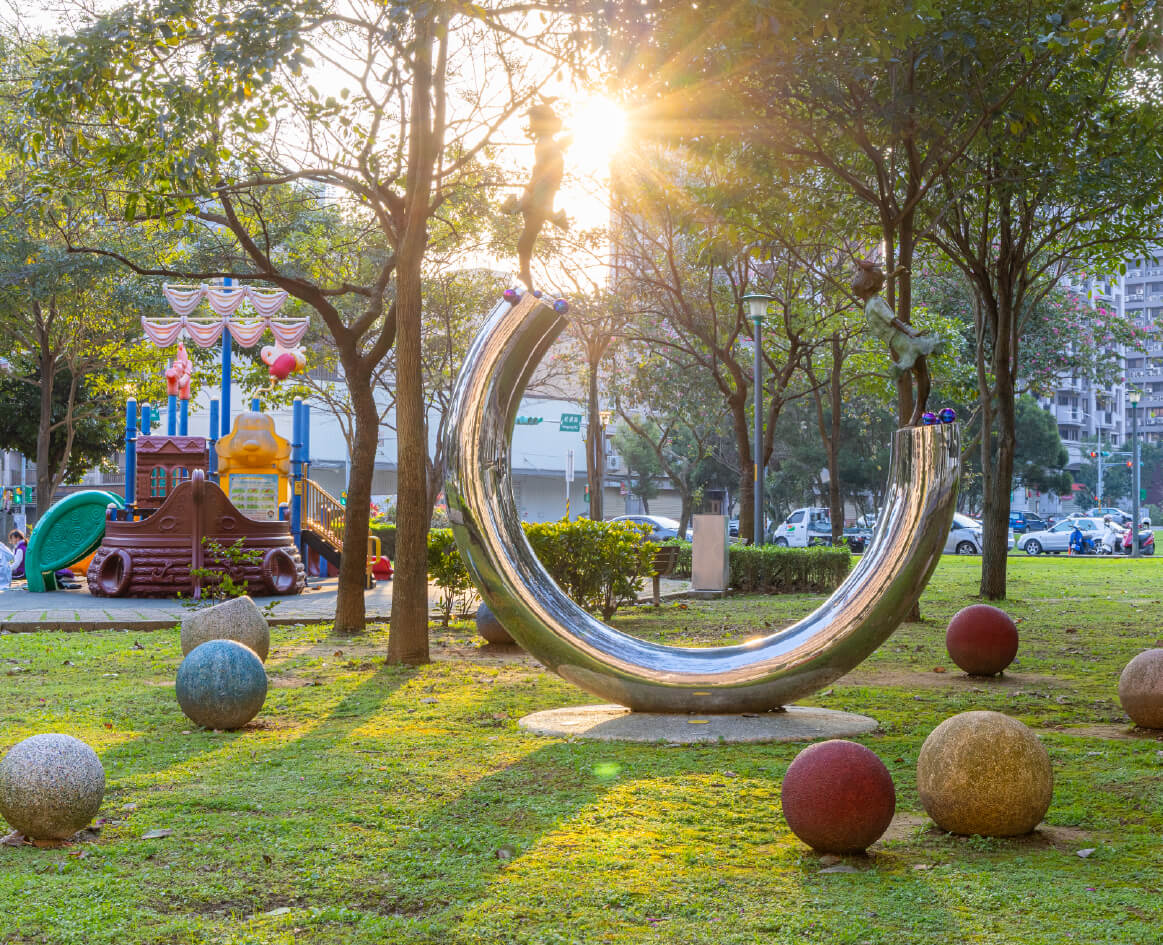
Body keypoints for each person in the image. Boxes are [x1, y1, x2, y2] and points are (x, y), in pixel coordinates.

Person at [8, 529, 81, 589]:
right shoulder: (24, 546)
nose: (11, 540)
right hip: (27, 571)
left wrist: (7, 569)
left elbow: (16, 564)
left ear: (17, 538)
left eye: (12, 538)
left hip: (23, 572)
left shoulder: (20, 549)